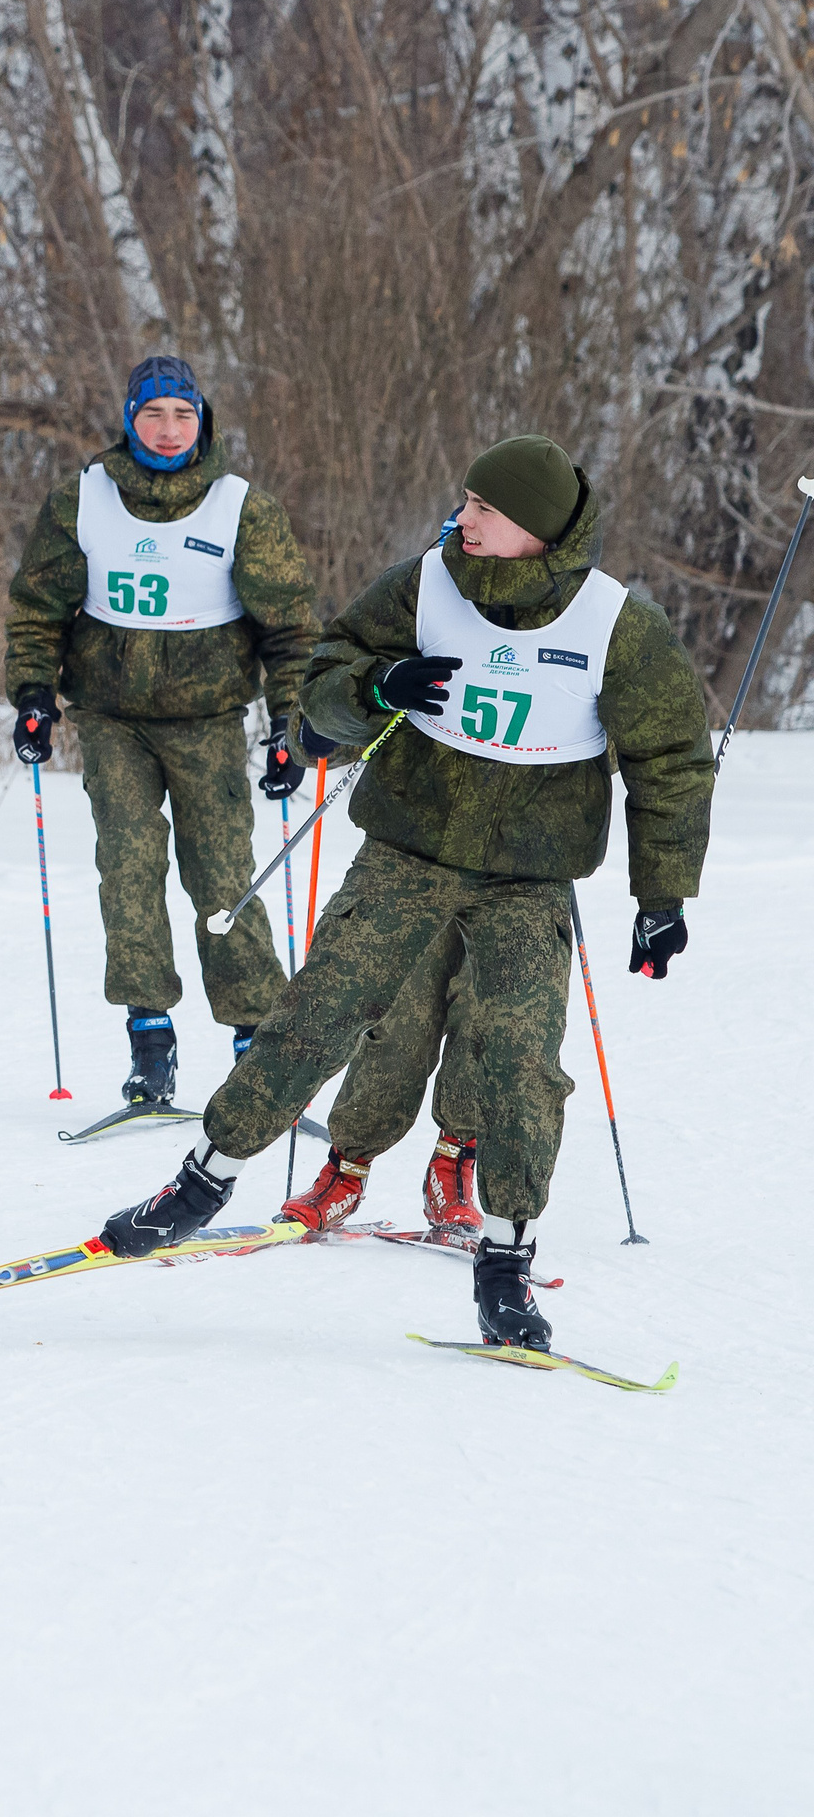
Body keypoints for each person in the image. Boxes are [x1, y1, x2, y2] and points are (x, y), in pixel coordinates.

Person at [98, 435, 713, 1349]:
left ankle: (504, 1261)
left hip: (528, 877)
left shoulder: (616, 624)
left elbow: (670, 761)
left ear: (536, 531)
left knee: (517, 1063)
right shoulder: (424, 585)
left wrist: (662, 896)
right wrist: (378, 688)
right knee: (319, 1013)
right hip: (409, 851)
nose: (462, 519)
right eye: (464, 502)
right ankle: (204, 1179)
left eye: (484, 510)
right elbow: (324, 684)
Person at [4, 355, 317, 1106]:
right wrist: (33, 696)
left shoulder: (241, 506)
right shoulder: (81, 500)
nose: (169, 430)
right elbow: (38, 609)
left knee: (221, 876)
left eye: (183, 415)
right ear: (129, 420)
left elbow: (290, 630)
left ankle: (252, 1039)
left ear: (202, 420)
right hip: (110, 719)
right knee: (130, 867)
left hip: (207, 720)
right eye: (154, 415)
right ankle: (150, 1036)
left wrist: (290, 725)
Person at [275, 923, 486, 1238]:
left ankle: (453, 1165)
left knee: (485, 1024)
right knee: (401, 1026)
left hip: (515, 887)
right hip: (432, 882)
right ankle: (346, 1171)